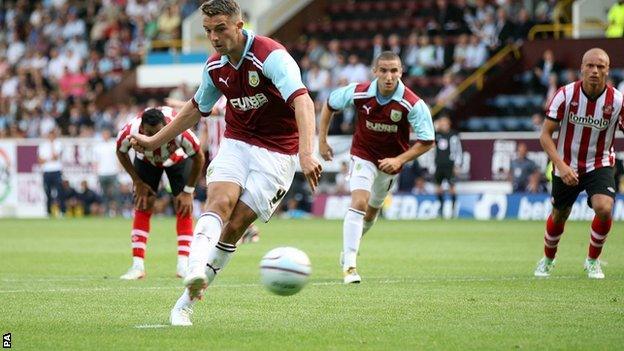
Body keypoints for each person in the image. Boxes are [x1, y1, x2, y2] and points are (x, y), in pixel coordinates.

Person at [130, 0, 321, 326]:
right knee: (219, 201)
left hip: (279, 152)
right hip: (238, 143)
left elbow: (302, 101)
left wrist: (307, 152)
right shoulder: (215, 66)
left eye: (220, 29)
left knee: (235, 226)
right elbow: (194, 108)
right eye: (208, 31)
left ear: (239, 25)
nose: (215, 37)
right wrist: (153, 140)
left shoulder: (271, 56)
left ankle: (186, 301)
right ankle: (194, 273)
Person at [319, 51, 435, 284]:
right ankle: (350, 265)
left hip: (390, 164)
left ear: (401, 72)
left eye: (394, 71)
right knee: (359, 202)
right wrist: (322, 140)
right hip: (363, 155)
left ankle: (349, 247)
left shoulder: (412, 103)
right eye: (383, 70)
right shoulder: (359, 91)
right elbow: (330, 104)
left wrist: (400, 160)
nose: (389, 76)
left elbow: (427, 140)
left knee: (371, 213)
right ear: (375, 72)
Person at [534, 48, 624, 279]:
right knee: (559, 215)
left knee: (604, 208)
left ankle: (592, 261)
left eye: (600, 66)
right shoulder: (565, 95)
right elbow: (545, 135)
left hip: (600, 163)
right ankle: (548, 259)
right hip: (566, 164)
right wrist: (562, 167)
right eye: (590, 66)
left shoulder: (617, 101)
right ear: (582, 68)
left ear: (607, 69)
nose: (595, 71)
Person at [116, 106, 205, 280]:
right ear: (142, 129)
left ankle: (183, 266)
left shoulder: (181, 131)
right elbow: (120, 151)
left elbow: (199, 157)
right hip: (146, 162)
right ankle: (137, 266)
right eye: (150, 134)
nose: (156, 139)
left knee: (184, 206)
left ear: (167, 126)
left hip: (176, 160)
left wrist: (188, 191)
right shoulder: (130, 131)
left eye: (160, 133)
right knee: (143, 203)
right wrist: (137, 181)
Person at [433, 115, 462, 217]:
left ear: (449, 124)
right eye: (441, 123)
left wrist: (457, 165)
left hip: (450, 165)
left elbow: (458, 150)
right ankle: (441, 209)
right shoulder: (437, 135)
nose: (443, 125)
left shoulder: (454, 135)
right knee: (438, 188)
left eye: (445, 123)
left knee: (452, 188)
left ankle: (454, 210)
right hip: (439, 165)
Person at [37, 127, 65, 217]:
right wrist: (49, 159)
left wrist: (48, 157)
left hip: (56, 170)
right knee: (47, 192)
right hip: (47, 171)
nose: (51, 137)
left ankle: (62, 211)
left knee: (59, 192)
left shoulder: (58, 144)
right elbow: (40, 160)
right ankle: (48, 212)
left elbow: (55, 156)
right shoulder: (43, 145)